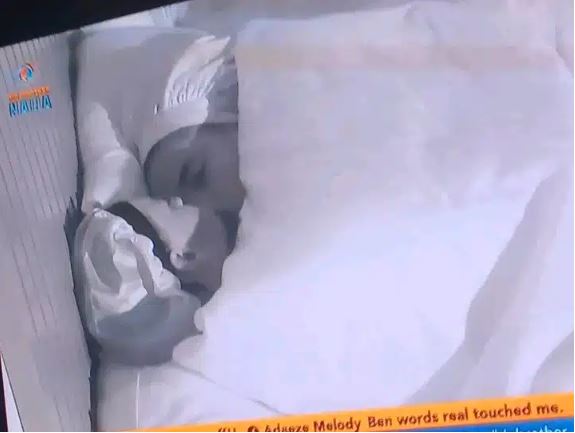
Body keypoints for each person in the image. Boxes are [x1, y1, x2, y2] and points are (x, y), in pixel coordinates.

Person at [73, 197, 228, 365]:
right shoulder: (124, 243)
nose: (176, 200)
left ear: (182, 258)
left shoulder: (136, 263)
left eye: (173, 209)